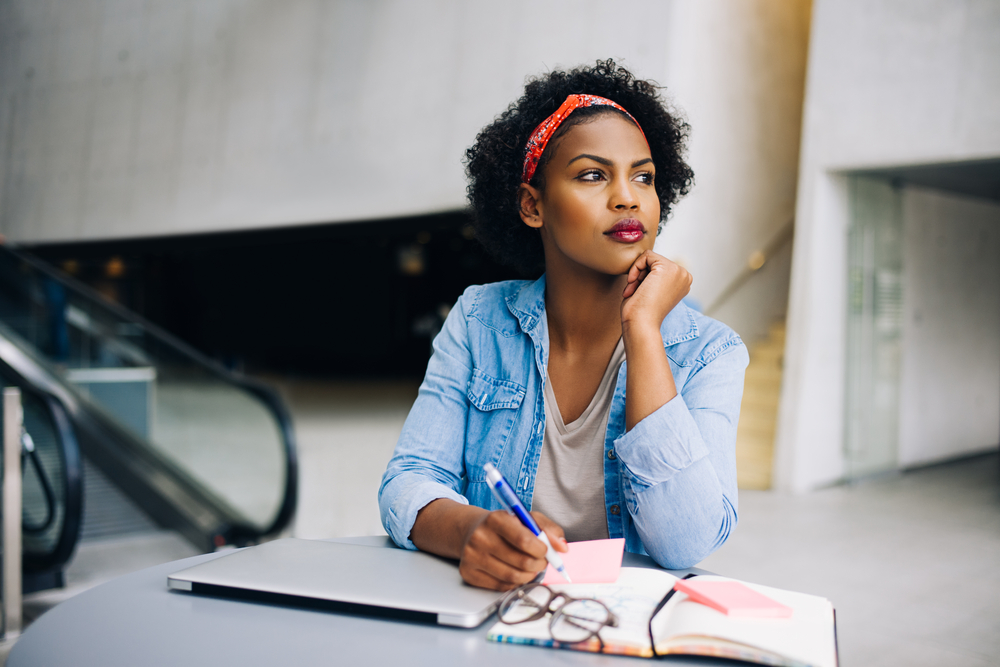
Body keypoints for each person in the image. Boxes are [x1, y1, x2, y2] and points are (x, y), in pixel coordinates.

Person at [379, 60, 748, 591]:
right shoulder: (480, 320)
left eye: (642, 176)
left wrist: (644, 332)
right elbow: (408, 480)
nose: (628, 197)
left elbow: (685, 542)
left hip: (624, 629)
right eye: (593, 175)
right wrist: (471, 530)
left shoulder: (712, 351)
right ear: (533, 205)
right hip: (496, 616)